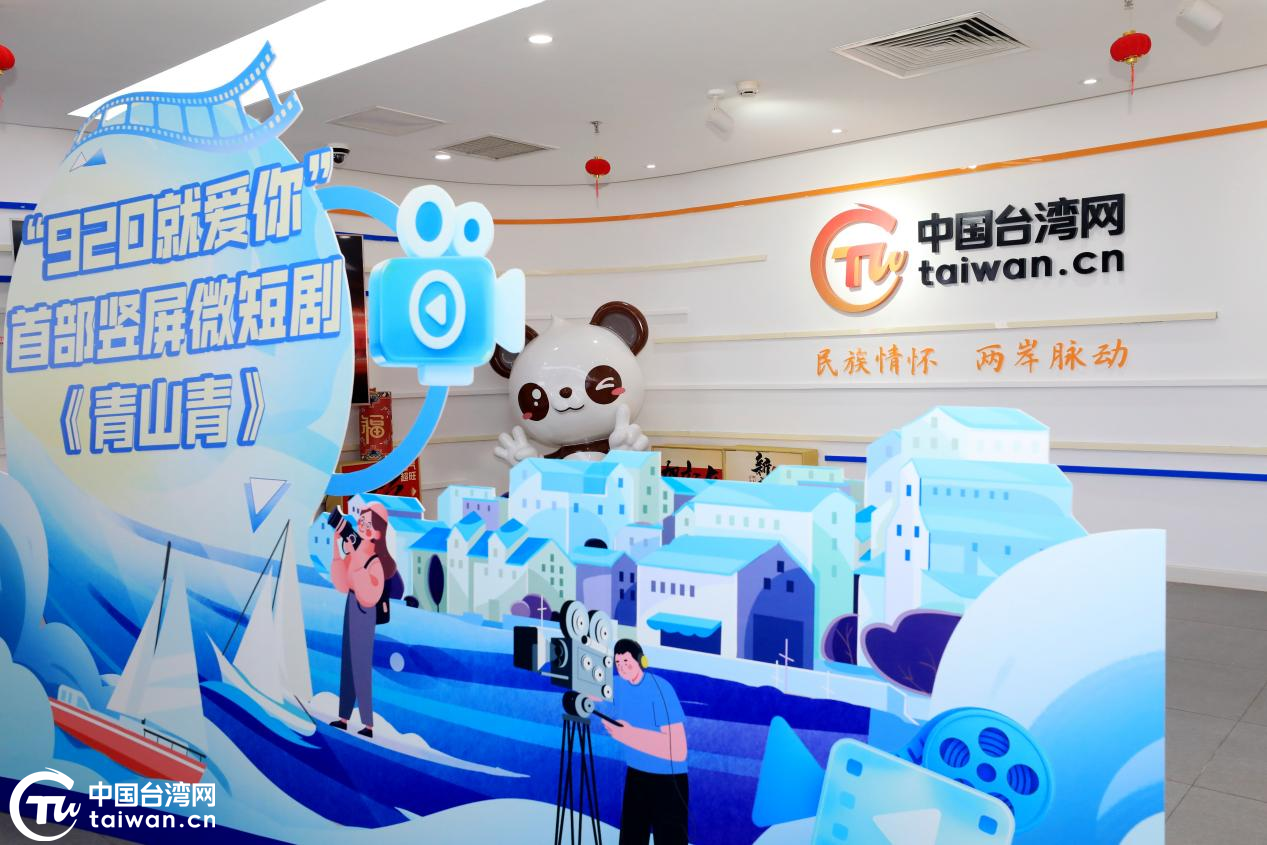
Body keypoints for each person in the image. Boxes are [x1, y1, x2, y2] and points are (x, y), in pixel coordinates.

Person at [601, 638, 689, 845]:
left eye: (627, 661)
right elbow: (593, 692)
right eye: (618, 663)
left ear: (641, 661)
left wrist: (629, 735)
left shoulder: (661, 689)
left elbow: (678, 750)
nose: (622, 667)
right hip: (636, 776)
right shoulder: (618, 685)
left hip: (668, 782)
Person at [329, 502, 396, 738]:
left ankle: (368, 724)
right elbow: (341, 584)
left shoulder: (374, 562)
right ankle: (343, 717)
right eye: (361, 521)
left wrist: (355, 556)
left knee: (361, 665)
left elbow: (368, 596)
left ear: (377, 533)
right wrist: (338, 549)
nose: (362, 526)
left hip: (364, 610)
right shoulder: (356, 552)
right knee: (347, 662)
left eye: (368, 524)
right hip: (351, 603)